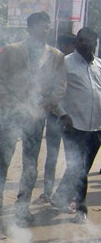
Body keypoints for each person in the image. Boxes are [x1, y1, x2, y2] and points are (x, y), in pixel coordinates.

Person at [0, 12, 66, 226]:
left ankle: (22, 207)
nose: (45, 30)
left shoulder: (55, 55)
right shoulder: (11, 51)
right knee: (3, 160)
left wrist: (45, 106)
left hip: (37, 116)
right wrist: (13, 104)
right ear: (29, 28)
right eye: (40, 26)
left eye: (47, 26)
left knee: (30, 163)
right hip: (12, 114)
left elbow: (60, 86)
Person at [51, 28, 101, 223]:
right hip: (74, 125)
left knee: (81, 168)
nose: (84, 44)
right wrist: (63, 115)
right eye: (80, 40)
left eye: (88, 41)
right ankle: (81, 208)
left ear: (95, 43)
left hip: (96, 126)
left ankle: (59, 196)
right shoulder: (65, 64)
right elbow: (54, 94)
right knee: (79, 168)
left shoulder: (99, 65)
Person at [33, 34, 76, 205]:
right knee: (52, 155)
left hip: (71, 118)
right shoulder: (54, 64)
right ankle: (47, 192)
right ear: (66, 46)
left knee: (71, 156)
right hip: (56, 115)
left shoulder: (75, 65)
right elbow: (47, 92)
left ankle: (67, 194)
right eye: (71, 45)